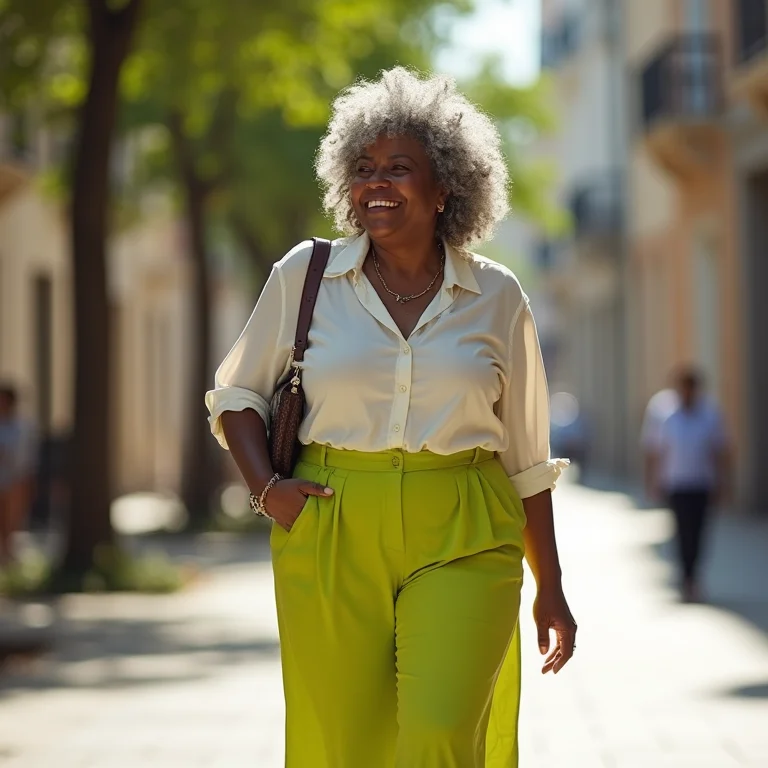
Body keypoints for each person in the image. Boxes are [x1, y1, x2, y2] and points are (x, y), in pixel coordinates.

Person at [206, 68, 577, 768]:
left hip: (464, 524)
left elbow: (528, 457)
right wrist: (267, 490)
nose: (376, 183)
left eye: (398, 169)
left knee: (440, 732)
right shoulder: (305, 276)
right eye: (364, 168)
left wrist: (551, 586)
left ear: (445, 190)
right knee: (350, 746)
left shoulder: (498, 296)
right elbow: (237, 396)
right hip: (331, 521)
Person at [643, 367, 730, 603]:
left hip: (701, 483)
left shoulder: (710, 414)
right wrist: (653, 481)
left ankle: (694, 575)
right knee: (682, 531)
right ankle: (686, 578)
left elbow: (720, 450)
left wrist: (723, 482)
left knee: (699, 532)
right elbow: (655, 451)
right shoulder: (666, 415)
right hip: (676, 484)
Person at [0, 384, 36, 566]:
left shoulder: (22, 426)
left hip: (14, 479)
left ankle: (8, 556)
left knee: (12, 520)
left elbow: (27, 456)